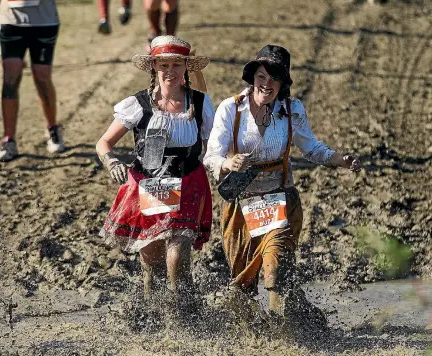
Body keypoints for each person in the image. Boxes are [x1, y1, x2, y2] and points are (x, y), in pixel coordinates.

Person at [204, 45, 361, 323]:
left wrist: (341, 159)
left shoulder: (292, 110)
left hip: (280, 203)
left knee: (275, 270)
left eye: (274, 78)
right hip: (242, 207)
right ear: (253, 78)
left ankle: (281, 332)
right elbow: (212, 155)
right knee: (244, 284)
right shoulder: (231, 108)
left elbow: (311, 148)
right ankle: (252, 329)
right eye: (262, 77)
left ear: (282, 83)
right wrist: (228, 163)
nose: (267, 84)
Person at [96, 36, 214, 310]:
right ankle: (155, 314)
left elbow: (214, 142)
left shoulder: (199, 104)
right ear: (154, 68)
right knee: (153, 263)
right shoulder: (137, 105)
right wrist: (112, 163)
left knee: (178, 252)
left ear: (186, 68)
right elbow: (104, 143)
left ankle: (184, 317)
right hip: (149, 185)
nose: (170, 71)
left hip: (188, 183)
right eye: (164, 65)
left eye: (176, 64)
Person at [0, 0, 64, 162]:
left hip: (44, 21)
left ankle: (52, 129)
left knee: (42, 78)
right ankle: (9, 140)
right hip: (10, 20)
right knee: (10, 80)